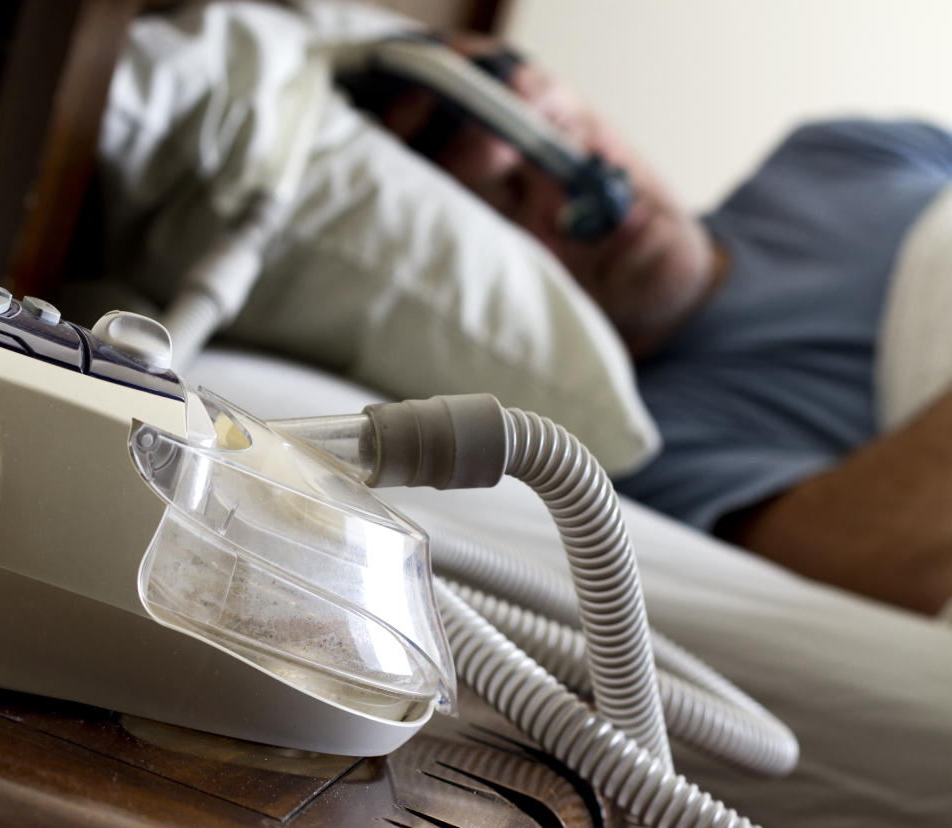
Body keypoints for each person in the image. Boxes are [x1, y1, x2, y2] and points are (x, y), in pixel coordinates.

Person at [372, 34, 952, 616]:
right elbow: (889, 566)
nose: (591, 191)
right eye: (512, 197)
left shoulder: (837, 154)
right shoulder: (637, 447)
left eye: (562, 129)